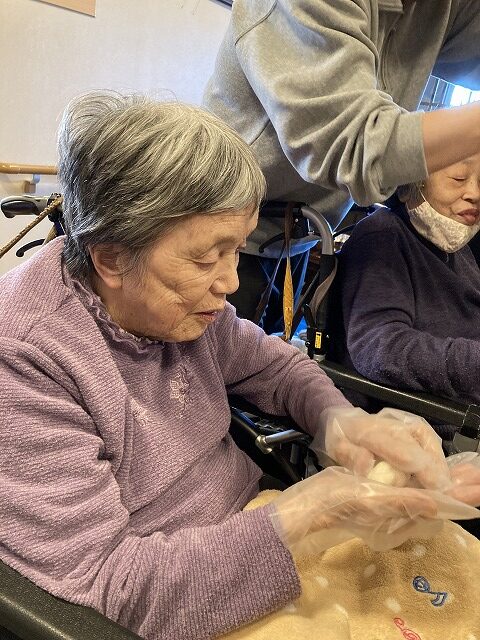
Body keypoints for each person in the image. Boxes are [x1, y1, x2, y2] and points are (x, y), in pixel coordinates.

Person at [0, 92, 479, 640]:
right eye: (207, 257)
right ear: (110, 257)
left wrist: (340, 420)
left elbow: (277, 367)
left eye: (236, 251)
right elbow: (109, 590)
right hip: (170, 593)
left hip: (252, 520)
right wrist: (313, 516)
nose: (230, 283)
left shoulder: (179, 308)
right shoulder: (26, 361)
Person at [203, 0, 480, 333]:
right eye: (458, 176)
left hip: (301, 235)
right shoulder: (382, 238)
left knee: (270, 355)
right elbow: (356, 143)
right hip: (221, 232)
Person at [328, 152, 480, 442]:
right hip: (421, 435)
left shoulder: (459, 252)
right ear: (415, 179)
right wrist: (472, 363)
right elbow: (379, 349)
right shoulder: (383, 236)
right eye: (459, 178)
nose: (474, 193)